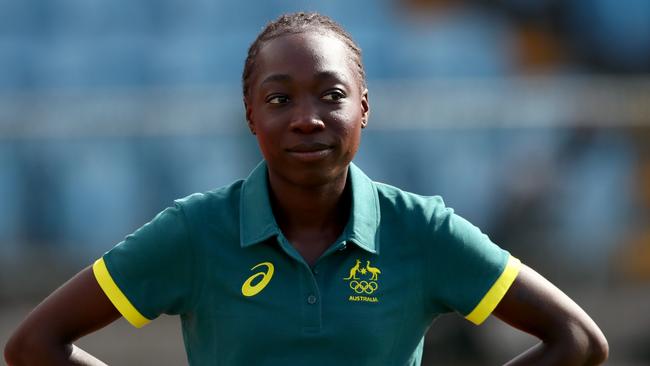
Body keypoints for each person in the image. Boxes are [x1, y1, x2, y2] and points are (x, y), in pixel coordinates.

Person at [4, 12, 608, 366]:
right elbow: (33, 346)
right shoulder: (195, 231)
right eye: (278, 99)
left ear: (365, 109)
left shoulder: (420, 230)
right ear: (249, 115)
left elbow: (577, 340)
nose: (306, 117)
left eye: (331, 94)